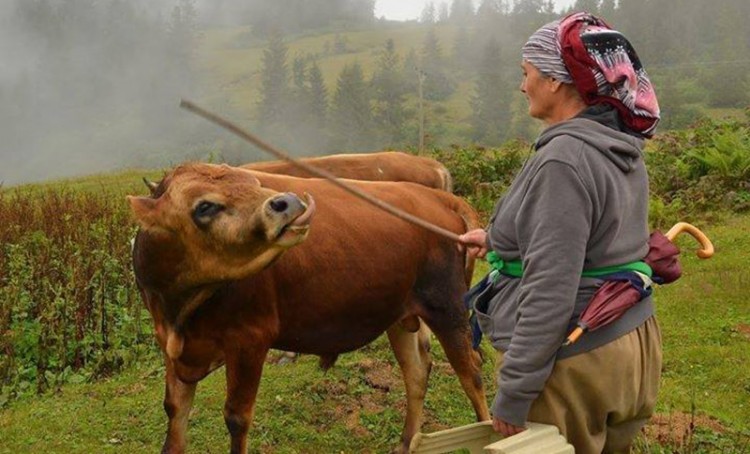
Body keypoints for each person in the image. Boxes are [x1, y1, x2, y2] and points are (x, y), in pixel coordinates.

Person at [459, 11, 662, 454]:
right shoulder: (617, 144)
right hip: (630, 340)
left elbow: (551, 288)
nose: (522, 85)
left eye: (526, 73)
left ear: (554, 80)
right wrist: (495, 239)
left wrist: (514, 394)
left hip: (575, 357)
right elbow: (595, 234)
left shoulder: (563, 159)